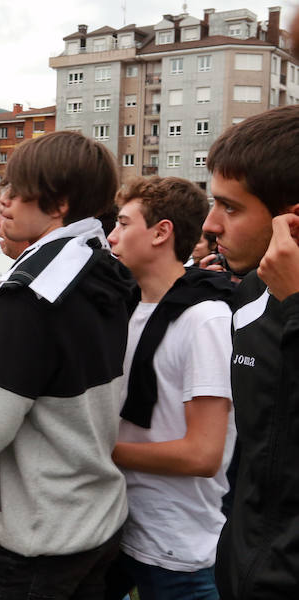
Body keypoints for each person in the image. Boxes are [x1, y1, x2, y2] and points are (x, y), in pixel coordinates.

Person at [0, 131, 134, 598]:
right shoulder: (104, 266)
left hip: (43, 540)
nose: (1, 202)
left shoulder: (30, 295)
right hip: (98, 518)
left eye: (15, 189)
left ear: (58, 203)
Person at [104, 176, 234, 600]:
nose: (112, 235)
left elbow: (203, 454)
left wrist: (97, 451)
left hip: (181, 549)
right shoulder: (124, 309)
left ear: (162, 232)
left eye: (124, 224)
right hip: (119, 529)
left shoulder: (204, 319)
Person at [200, 104, 299, 599]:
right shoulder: (250, 293)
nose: (211, 224)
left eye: (231, 207)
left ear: (292, 222)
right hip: (242, 570)